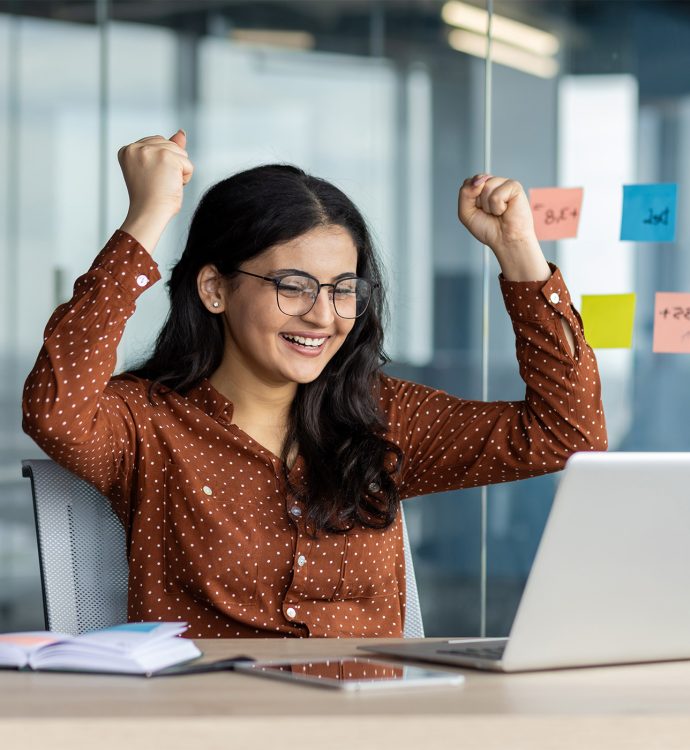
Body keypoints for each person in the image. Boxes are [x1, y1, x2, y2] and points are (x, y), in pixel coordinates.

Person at [22, 131, 607, 638]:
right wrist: (146, 219)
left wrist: (518, 251)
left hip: (373, 727)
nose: (325, 317)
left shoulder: (381, 417)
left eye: (343, 289)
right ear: (214, 289)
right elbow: (54, 408)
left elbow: (568, 432)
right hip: (210, 724)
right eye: (294, 286)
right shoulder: (144, 424)